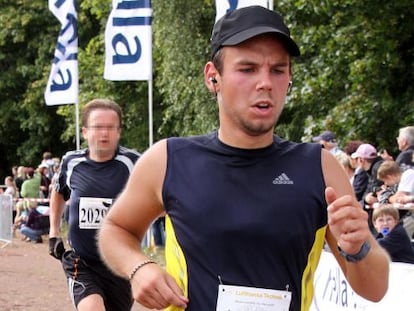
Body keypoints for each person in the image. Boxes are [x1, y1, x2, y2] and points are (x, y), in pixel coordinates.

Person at [98, 6, 389, 311]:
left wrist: (358, 248)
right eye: (247, 69)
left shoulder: (319, 167)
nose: (265, 83)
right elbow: (115, 229)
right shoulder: (169, 159)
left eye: (278, 70)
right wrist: (138, 267)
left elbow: (375, 289)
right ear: (213, 77)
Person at [47, 99, 140, 311]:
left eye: (110, 127)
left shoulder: (133, 162)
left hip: (120, 264)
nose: (104, 133)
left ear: (119, 131)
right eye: (98, 127)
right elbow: (58, 191)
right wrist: (53, 232)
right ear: (86, 131)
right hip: (82, 261)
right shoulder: (71, 162)